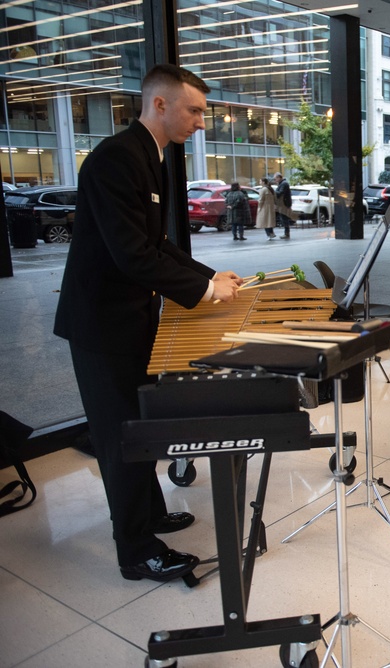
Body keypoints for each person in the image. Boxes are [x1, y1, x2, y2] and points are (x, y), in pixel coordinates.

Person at [53, 64, 242, 582]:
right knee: (122, 437)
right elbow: (133, 255)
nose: (202, 122)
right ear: (159, 104)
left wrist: (209, 273)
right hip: (102, 325)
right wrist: (205, 293)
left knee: (140, 424)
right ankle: (136, 549)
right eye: (195, 110)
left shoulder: (150, 156)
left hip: (130, 319)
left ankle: (151, 512)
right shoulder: (117, 159)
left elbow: (156, 244)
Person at [273, 172, 294, 238]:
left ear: (279, 178)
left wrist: (273, 191)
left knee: (284, 219)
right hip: (283, 203)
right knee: (284, 219)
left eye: (275, 178)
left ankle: (287, 233)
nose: (275, 180)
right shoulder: (282, 183)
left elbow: (280, 193)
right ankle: (286, 233)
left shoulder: (284, 184)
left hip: (284, 204)